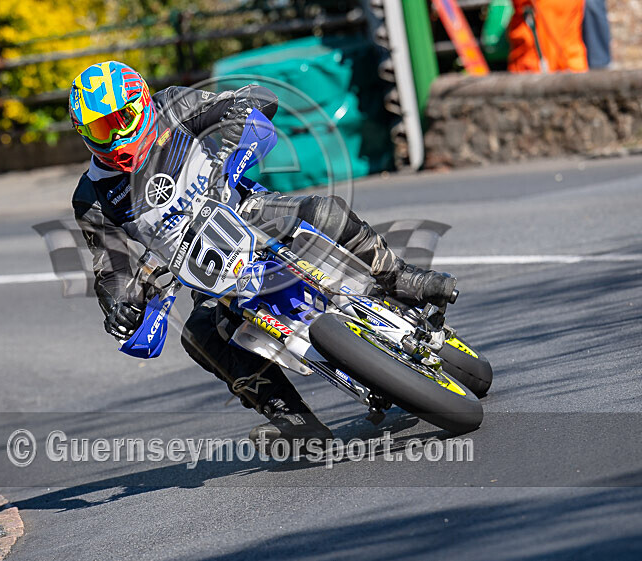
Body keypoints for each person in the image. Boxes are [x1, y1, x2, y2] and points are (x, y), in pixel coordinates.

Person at [69, 61, 457, 449]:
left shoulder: (175, 105)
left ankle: (402, 278)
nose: (115, 137)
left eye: (123, 118)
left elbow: (254, 99)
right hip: (202, 269)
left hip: (248, 210)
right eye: (100, 129)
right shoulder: (92, 196)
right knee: (199, 335)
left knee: (324, 211)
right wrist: (120, 307)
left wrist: (230, 151)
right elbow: (111, 268)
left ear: (143, 103)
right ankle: (291, 417)